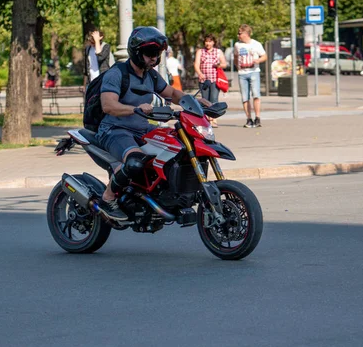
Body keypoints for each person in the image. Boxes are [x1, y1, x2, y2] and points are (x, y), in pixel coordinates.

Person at [95, 26, 211, 220]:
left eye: (157, 54)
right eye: (150, 53)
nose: (154, 58)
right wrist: (135, 109)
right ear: (137, 52)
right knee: (135, 161)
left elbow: (172, 93)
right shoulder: (116, 74)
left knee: (177, 147)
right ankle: (107, 198)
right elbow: (108, 106)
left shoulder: (151, 75)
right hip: (115, 130)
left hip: (141, 128)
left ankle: (161, 195)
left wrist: (194, 101)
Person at [233, 24, 267, 128]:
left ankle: (257, 118)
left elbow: (264, 56)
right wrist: (237, 66)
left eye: (240, 33)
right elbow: (235, 56)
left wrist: (258, 60)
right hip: (242, 73)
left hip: (254, 71)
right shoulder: (237, 45)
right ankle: (249, 119)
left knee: (256, 95)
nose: (238, 35)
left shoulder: (256, 44)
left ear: (246, 34)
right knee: (245, 97)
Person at [194, 34, 227, 128]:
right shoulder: (200, 52)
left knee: (214, 99)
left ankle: (214, 119)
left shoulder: (218, 52)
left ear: (213, 42)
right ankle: (206, 120)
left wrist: (219, 65)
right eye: (206, 41)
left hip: (215, 79)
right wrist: (200, 73)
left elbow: (224, 64)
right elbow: (196, 64)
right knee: (204, 100)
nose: (208, 43)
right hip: (203, 79)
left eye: (210, 41)